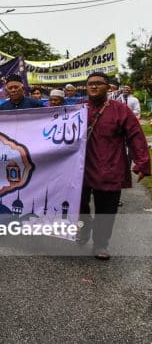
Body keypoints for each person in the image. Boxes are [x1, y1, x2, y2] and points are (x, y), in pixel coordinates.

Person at [77, 72, 150, 260]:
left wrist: (142, 163)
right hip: (79, 169)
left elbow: (135, 135)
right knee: (78, 205)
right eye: (90, 84)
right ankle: (83, 230)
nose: (93, 87)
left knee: (106, 210)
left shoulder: (120, 110)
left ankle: (101, 244)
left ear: (108, 87)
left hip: (110, 167)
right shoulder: (77, 109)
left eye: (98, 84)